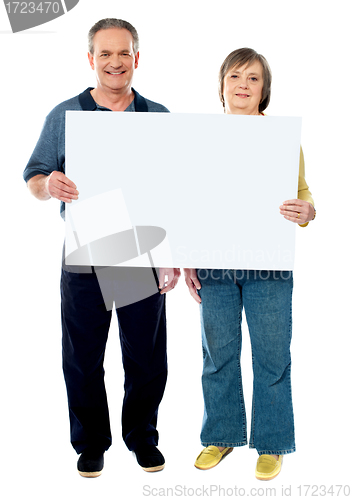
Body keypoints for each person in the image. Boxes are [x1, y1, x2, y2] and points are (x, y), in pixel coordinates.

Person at [23, 18, 180, 477]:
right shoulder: (65, 116)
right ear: (91, 59)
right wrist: (48, 184)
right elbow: (34, 176)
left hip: (139, 252)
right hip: (85, 251)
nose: (116, 62)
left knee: (146, 356)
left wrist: (170, 252)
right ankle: (91, 443)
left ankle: (142, 438)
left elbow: (174, 192)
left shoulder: (157, 118)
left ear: (137, 58)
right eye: (105, 54)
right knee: (83, 355)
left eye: (124, 53)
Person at [184, 48, 316, 481]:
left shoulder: (280, 138)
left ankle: (273, 443)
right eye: (236, 75)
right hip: (215, 265)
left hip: (269, 264)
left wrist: (307, 210)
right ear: (221, 85)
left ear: (265, 89)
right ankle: (221, 436)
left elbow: (303, 191)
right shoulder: (201, 137)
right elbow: (187, 201)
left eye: (254, 78)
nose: (244, 84)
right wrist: (187, 257)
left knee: (272, 356)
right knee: (217, 355)